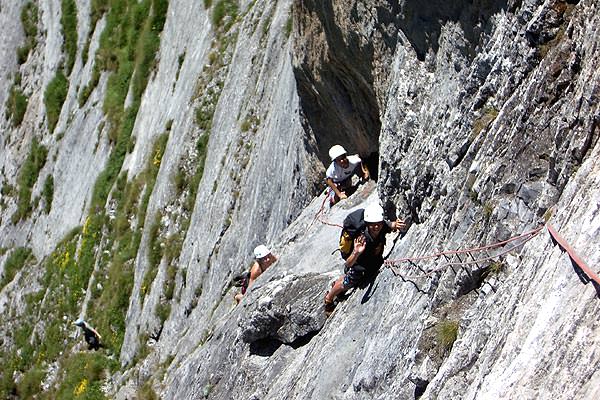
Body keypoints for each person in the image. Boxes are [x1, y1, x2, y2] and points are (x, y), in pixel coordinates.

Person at [324, 203, 406, 313]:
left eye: (378, 224)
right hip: (358, 264)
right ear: (367, 224)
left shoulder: (381, 225)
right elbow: (348, 264)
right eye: (373, 224)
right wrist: (356, 252)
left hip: (373, 260)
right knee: (349, 282)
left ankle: (336, 287)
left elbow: (389, 225)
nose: (376, 227)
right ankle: (329, 298)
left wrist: (396, 224)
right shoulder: (362, 239)